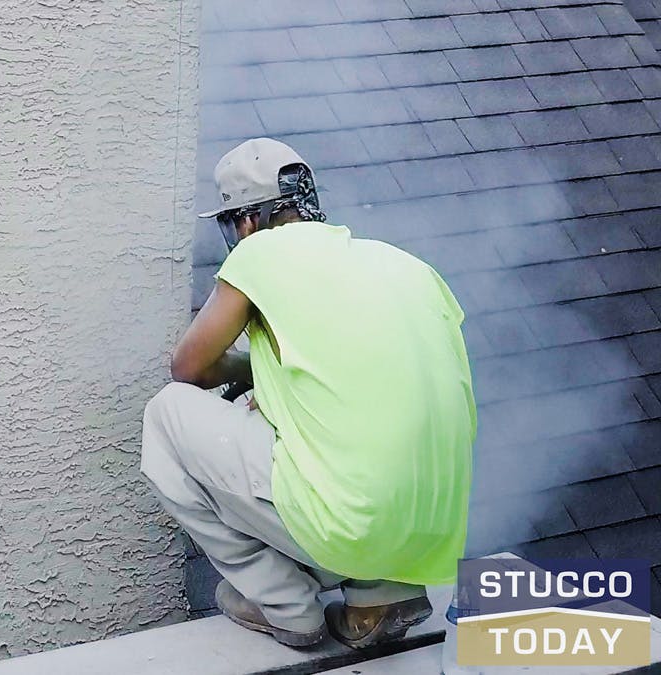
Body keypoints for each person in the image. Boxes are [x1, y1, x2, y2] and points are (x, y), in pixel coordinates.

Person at [141, 138, 476, 648]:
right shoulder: (403, 265)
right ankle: (380, 592)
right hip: (432, 532)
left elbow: (190, 366)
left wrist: (252, 369)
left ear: (248, 220)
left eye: (233, 224)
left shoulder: (259, 256)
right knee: (326, 424)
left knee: (168, 414)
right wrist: (273, 381)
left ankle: (285, 604)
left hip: (352, 525)